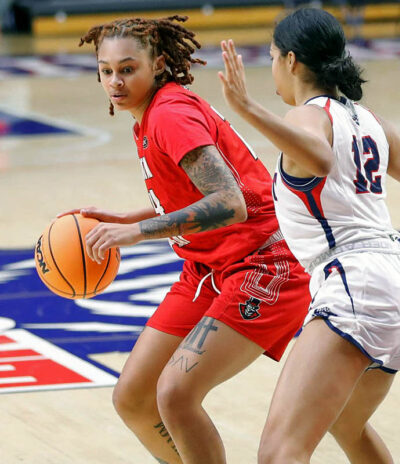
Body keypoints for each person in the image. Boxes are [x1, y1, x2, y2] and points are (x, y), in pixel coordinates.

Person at [217, 8, 400, 463]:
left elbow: (318, 158)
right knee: (347, 424)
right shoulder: (368, 121)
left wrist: (246, 109)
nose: (272, 68)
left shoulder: (305, 116)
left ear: (293, 61)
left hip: (356, 286)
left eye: (274, 56)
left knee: (279, 454)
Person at [74, 15, 310, 464]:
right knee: (134, 398)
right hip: (210, 265)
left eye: (127, 69)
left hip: (265, 262)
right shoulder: (152, 112)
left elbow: (231, 202)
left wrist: (137, 231)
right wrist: (140, 213)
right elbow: (201, 191)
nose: (115, 81)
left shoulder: (169, 114)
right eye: (106, 71)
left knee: (176, 394)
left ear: (158, 63)